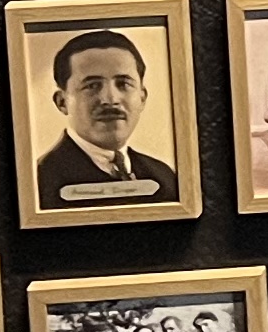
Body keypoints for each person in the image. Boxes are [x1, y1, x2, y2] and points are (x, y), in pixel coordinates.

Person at [33, 25, 177, 211]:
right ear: (62, 102)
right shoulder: (38, 183)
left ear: (142, 97)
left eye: (123, 84)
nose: (110, 99)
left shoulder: (164, 177)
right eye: (92, 86)